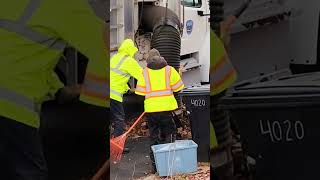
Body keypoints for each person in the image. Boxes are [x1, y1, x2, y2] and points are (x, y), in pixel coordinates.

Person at [0, 0, 108, 179]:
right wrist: (98, 104)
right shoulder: (63, 5)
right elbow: (104, 46)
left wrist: (58, 90)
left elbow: (16, 54)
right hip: (12, 114)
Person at [135, 55, 184, 173]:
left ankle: (155, 167)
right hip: (166, 109)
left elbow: (140, 92)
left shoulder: (144, 72)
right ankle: (169, 163)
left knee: (154, 136)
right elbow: (179, 87)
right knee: (170, 133)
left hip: (151, 111)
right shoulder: (169, 70)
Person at [110, 39, 143, 152]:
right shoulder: (129, 61)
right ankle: (115, 147)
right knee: (119, 120)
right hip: (113, 94)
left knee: (111, 119)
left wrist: (127, 88)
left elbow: (116, 77)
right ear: (130, 50)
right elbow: (142, 76)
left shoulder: (115, 57)